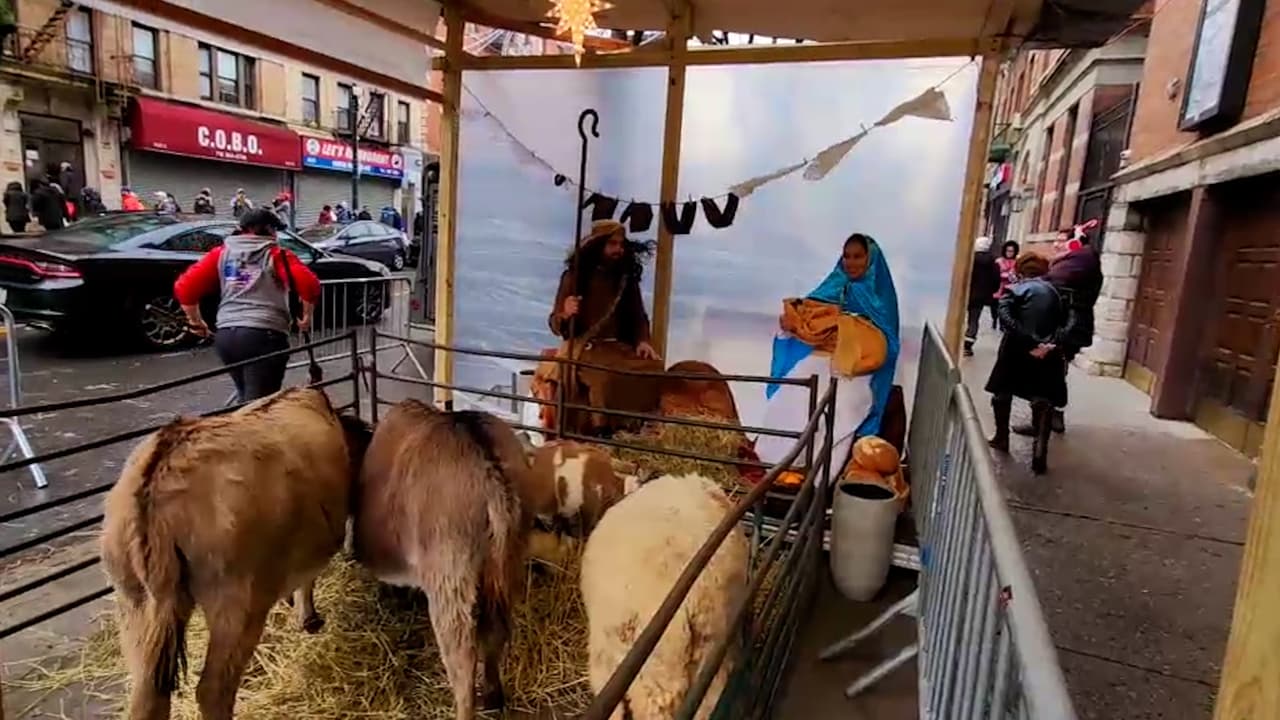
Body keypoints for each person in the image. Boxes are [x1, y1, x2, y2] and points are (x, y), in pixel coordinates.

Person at [755, 233, 901, 480]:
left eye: (858, 256)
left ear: (871, 259)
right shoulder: (833, 285)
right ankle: (771, 470)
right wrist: (793, 323)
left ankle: (818, 480)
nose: (851, 262)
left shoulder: (880, 297)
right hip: (820, 360)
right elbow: (806, 315)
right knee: (789, 400)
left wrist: (850, 331)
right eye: (847, 256)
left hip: (855, 371)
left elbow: (888, 344)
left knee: (841, 410)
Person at [174, 208, 320, 404]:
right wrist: (307, 316)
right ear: (268, 230)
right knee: (258, 407)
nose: (276, 235)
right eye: (275, 230)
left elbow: (185, 287)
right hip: (264, 336)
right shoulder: (276, 255)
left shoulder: (221, 254)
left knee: (245, 398)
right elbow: (309, 285)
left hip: (227, 337)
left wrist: (196, 321)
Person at [535, 219, 663, 435]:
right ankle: (601, 429)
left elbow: (638, 315)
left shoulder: (625, 279)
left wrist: (642, 340)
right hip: (585, 348)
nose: (618, 250)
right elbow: (556, 324)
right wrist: (565, 313)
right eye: (612, 244)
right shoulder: (574, 278)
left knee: (654, 369)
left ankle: (639, 427)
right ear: (598, 246)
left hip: (617, 348)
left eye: (621, 245)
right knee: (603, 378)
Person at [986, 251, 1076, 475]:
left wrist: (1027, 339)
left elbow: (1005, 316)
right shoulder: (1060, 293)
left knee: (1002, 393)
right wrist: (1050, 343)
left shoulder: (1014, 290)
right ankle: (1040, 450)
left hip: (1015, 350)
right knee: (1042, 399)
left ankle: (1001, 437)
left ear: (1020, 270)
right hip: (1048, 354)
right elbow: (1072, 321)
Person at [1013, 224, 1103, 437]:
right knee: (1055, 370)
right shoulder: (1074, 261)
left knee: (1047, 370)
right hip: (1064, 326)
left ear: (1076, 242)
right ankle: (1049, 415)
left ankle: (1046, 417)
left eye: (1062, 240)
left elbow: (1051, 281)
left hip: (1066, 326)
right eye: (1056, 240)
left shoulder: (1080, 260)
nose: (1056, 244)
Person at [965, 236, 1001, 357]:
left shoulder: (969, 259)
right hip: (980, 296)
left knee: (959, 318)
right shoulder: (993, 262)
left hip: (966, 293)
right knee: (973, 320)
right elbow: (996, 280)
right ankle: (968, 344)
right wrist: (990, 292)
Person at [993, 240, 1020, 328]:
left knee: (1007, 306)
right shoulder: (999, 261)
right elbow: (995, 273)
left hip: (1011, 288)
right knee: (996, 306)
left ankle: (1003, 323)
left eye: (1011, 251)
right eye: (1008, 251)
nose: (1009, 253)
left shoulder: (1017, 262)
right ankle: (995, 319)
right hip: (999, 287)